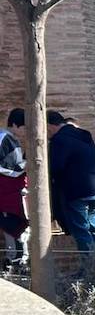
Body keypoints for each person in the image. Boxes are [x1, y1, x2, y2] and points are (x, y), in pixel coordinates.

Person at [46, 111, 95, 253]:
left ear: (49, 126)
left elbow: (56, 167)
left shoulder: (59, 139)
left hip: (76, 191)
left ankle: (89, 269)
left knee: (81, 230)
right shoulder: (84, 135)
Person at [0, 109, 27, 270]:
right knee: (11, 227)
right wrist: (23, 168)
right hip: (6, 193)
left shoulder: (12, 139)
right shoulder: (4, 139)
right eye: (24, 127)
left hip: (14, 193)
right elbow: (7, 168)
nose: (25, 132)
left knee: (17, 227)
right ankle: (14, 265)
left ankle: (19, 261)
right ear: (15, 124)